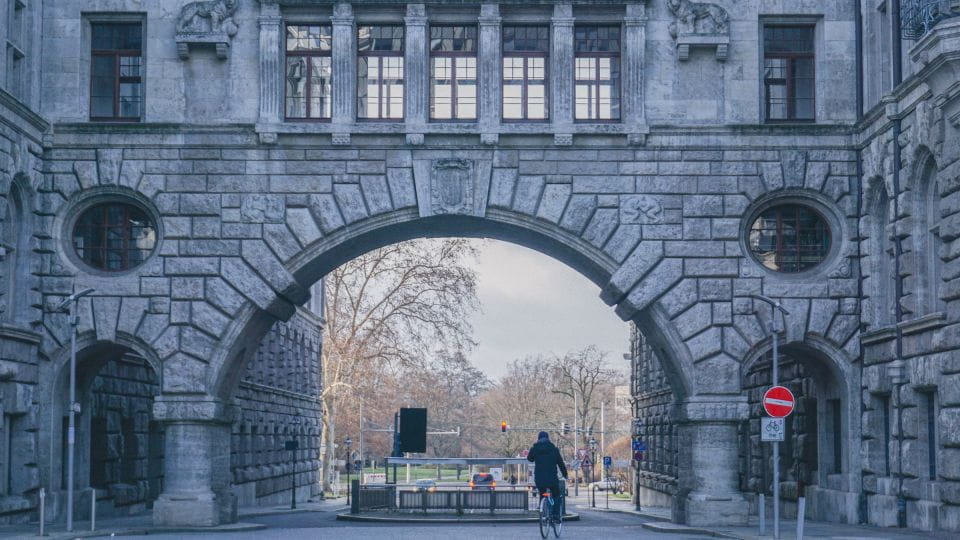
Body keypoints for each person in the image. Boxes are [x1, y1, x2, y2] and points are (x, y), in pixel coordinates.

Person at [526, 431, 568, 519]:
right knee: (556, 494)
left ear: (538, 438)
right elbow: (560, 464)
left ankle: (542, 511)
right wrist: (565, 475)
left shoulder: (535, 448)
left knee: (542, 493)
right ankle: (556, 514)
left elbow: (530, 459)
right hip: (552, 477)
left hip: (539, 478)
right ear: (548, 438)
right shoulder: (554, 449)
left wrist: (534, 450)